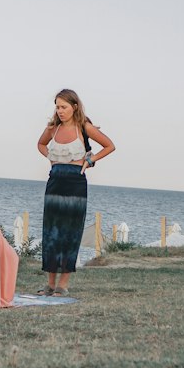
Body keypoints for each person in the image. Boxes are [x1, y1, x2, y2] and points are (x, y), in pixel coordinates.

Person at [37, 89, 115, 295]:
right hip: (54, 181)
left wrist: (91, 160)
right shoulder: (52, 128)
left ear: (75, 106)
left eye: (63, 107)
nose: (60, 111)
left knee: (70, 232)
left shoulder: (84, 127)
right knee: (51, 232)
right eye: (57, 107)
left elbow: (109, 146)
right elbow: (40, 144)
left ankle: (63, 284)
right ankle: (50, 283)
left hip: (75, 183)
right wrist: (51, 157)